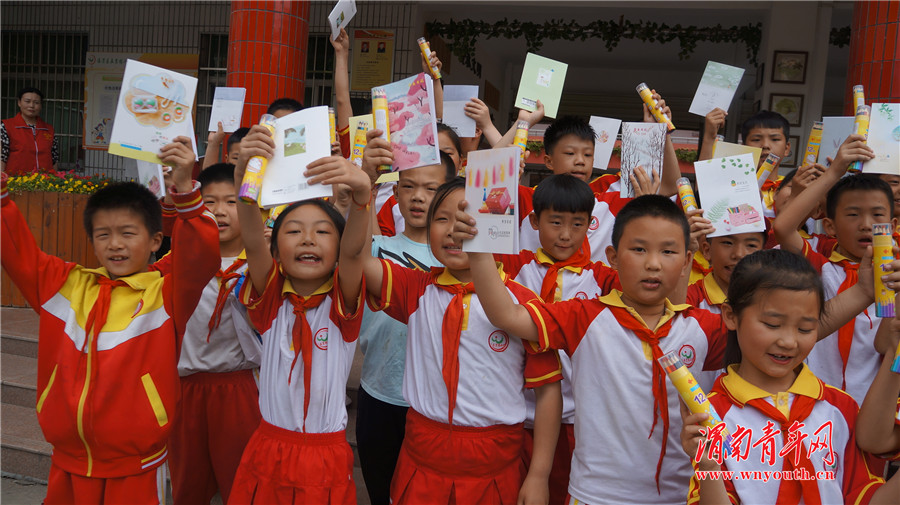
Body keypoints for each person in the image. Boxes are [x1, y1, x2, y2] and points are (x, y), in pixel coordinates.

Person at [461, 194, 729, 503]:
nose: (653, 263)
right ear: (612, 257)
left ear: (686, 263)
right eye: (639, 249)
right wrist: (479, 251)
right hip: (594, 495)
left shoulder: (704, 327)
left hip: (679, 496)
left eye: (668, 252)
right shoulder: (584, 316)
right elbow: (507, 316)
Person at [0, 137, 219, 504]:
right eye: (104, 235)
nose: (115, 244)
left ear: (155, 241)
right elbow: (15, 247)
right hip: (67, 465)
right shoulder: (64, 286)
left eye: (128, 233)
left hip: (137, 469)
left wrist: (185, 188)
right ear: (92, 241)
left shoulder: (165, 294)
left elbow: (201, 254)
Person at [339, 175, 563, 505]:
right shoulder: (415, 288)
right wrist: (360, 203)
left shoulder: (522, 305)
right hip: (421, 460)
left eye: (467, 218)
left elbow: (547, 392)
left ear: (496, 226)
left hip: (494, 465)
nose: (455, 230)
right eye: (442, 219)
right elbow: (352, 261)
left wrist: (539, 474)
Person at [681, 249, 896, 504]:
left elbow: (863, 496)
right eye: (772, 325)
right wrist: (709, 469)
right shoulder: (714, 415)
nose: (788, 342)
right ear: (730, 316)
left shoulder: (839, 407)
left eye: (805, 328)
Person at [227, 125, 368, 504]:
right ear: (276, 250)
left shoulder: (344, 304)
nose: (308, 239)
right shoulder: (270, 298)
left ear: (337, 249)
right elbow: (253, 239)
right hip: (268, 447)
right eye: (293, 231)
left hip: (325, 456)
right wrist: (244, 178)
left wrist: (362, 196)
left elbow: (356, 253)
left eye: (323, 231)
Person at [500, 174, 620, 505]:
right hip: (516, 414)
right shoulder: (515, 266)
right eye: (555, 222)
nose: (566, 235)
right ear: (535, 221)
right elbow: (479, 256)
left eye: (577, 224)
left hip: (577, 419)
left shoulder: (603, 279)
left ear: (590, 226)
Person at [355, 133, 457, 505]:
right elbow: (355, 245)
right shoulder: (378, 247)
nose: (417, 197)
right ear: (394, 192)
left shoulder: (457, 258)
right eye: (408, 186)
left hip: (432, 406)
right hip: (379, 393)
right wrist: (365, 176)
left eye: (431, 189)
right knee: (382, 492)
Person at [157, 163, 261, 505]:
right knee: (187, 485)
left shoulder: (263, 265)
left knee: (242, 484)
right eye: (210, 202)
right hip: (186, 388)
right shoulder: (179, 261)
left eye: (231, 202)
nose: (219, 211)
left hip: (240, 387)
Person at [773, 134, 894, 404]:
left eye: (877, 214)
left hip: (872, 412)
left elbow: (887, 347)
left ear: (893, 225)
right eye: (852, 214)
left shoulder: (895, 278)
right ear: (830, 226)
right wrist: (835, 171)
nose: (865, 224)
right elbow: (783, 227)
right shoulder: (817, 269)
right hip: (815, 411)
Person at [740, 110, 792, 218]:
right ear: (744, 147)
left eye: (775, 139)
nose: (765, 145)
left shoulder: (795, 187)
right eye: (756, 139)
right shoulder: (736, 186)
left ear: (786, 148)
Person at [2, 87, 58, 174]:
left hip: (45, 182)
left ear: (40, 105)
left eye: (36, 103)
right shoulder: (6, 126)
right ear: (19, 103)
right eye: (27, 101)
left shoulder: (49, 129)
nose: (31, 105)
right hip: (15, 182)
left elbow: (54, 158)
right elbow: (2, 157)